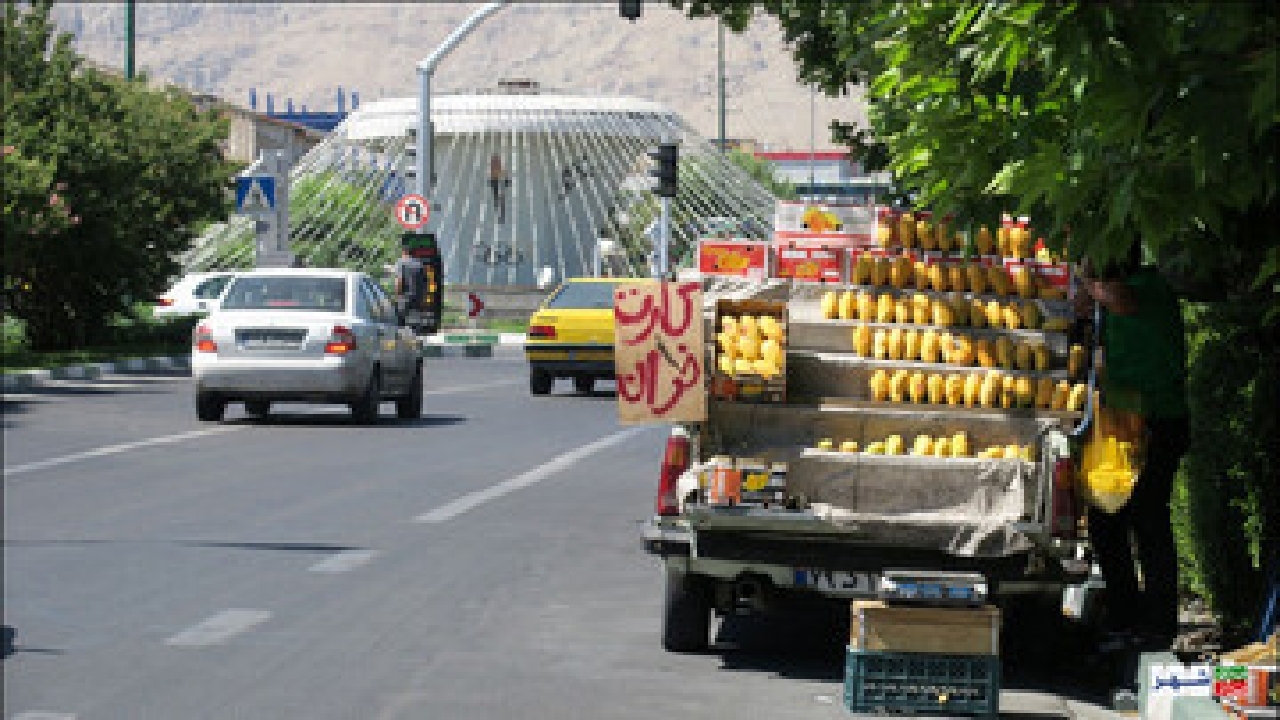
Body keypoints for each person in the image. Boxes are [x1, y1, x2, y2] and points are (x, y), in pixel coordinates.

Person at [1074, 244, 1190, 653]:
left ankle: (1157, 625)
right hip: (1127, 427)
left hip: (1159, 422)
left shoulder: (1148, 287)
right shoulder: (1113, 294)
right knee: (1106, 519)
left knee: (1148, 521)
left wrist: (1086, 280)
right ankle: (1126, 616)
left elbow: (1116, 299)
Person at [394, 247, 425, 317]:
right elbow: (424, 283)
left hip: (405, 298)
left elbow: (399, 280)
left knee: (401, 323)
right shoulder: (420, 264)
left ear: (404, 252)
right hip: (418, 299)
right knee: (416, 323)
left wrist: (397, 295)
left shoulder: (401, 262)